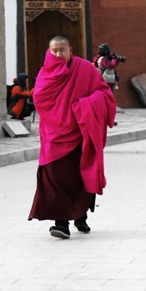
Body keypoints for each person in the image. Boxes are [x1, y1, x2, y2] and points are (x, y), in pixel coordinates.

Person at [28, 35, 117, 239]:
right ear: (49, 52)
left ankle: (81, 215)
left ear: (70, 50)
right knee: (56, 178)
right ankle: (61, 223)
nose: (59, 54)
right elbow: (40, 100)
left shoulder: (84, 69)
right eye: (54, 51)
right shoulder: (45, 74)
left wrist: (84, 108)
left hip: (81, 133)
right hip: (54, 135)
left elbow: (104, 93)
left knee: (81, 176)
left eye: (62, 50)